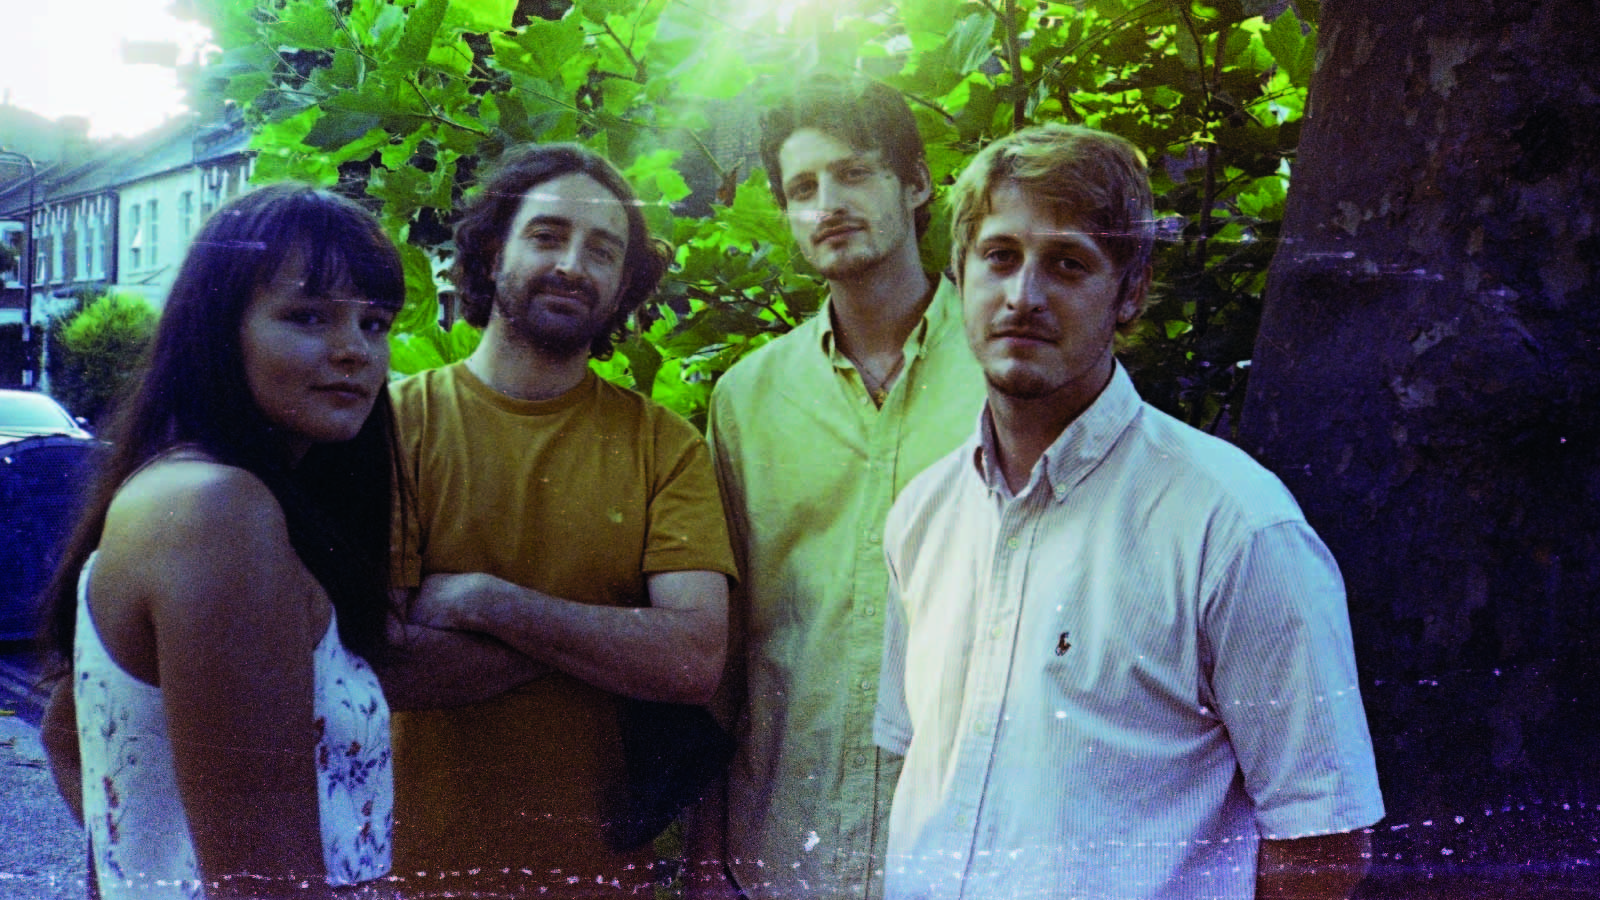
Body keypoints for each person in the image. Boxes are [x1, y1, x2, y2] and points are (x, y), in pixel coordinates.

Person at [872, 123, 1386, 900]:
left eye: (1068, 263)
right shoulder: (922, 516)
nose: (1023, 296)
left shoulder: (1235, 526)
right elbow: (914, 765)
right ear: (959, 275)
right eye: (1000, 256)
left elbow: (1323, 841)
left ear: (1132, 294)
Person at [377, 142, 737, 894]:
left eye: (602, 250)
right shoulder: (392, 427)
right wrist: (610, 636)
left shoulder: (664, 445)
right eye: (547, 236)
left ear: (623, 283)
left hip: (600, 877)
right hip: (409, 874)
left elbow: (693, 661)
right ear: (491, 251)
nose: (573, 265)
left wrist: (485, 601)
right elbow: (385, 667)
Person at [37, 184, 405, 899]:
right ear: (216, 329)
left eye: (374, 323)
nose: (354, 350)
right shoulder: (216, 510)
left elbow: (65, 733)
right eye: (307, 316)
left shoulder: (194, 493)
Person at [699, 75, 986, 899]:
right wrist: (708, 856)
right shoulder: (747, 399)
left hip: (962, 847)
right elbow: (728, 651)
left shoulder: (1005, 374)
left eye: (854, 174)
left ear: (917, 184)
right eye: (802, 188)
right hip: (785, 845)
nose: (827, 204)